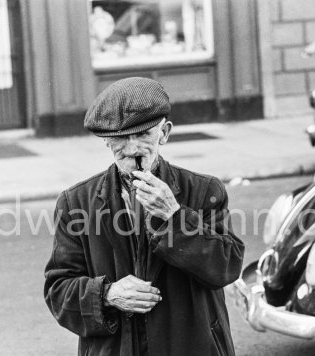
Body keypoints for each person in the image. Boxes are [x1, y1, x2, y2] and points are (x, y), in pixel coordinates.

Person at [43, 77, 244, 356]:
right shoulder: (76, 202)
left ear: (164, 133)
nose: (133, 148)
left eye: (143, 135)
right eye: (120, 138)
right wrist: (107, 294)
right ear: (106, 141)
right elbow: (58, 290)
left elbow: (227, 267)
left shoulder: (203, 190)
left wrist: (174, 216)